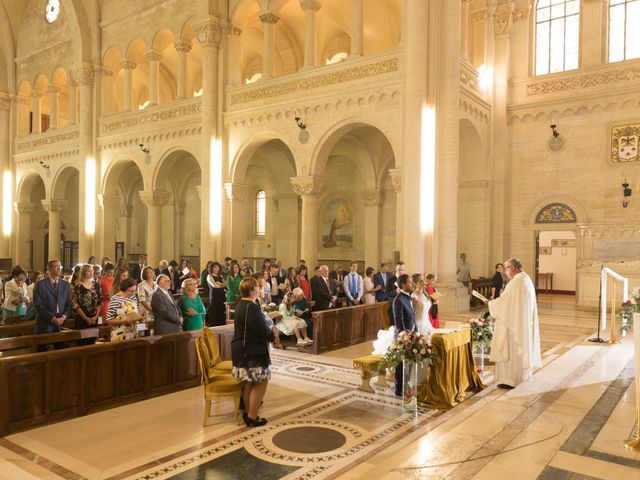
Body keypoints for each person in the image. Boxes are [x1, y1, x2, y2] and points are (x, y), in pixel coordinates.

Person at [488, 258, 541, 389]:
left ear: (512, 268)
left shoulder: (516, 282)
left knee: (512, 350)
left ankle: (511, 379)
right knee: (519, 350)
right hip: (520, 322)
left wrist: (490, 303)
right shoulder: (526, 279)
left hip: (513, 324)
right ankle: (522, 375)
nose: (505, 272)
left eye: (506, 269)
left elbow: (505, 302)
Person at [231, 277, 276, 427]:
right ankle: (252, 416)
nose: (260, 289)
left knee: (249, 382)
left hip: (242, 349)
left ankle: (248, 412)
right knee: (261, 381)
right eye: (258, 287)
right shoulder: (252, 307)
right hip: (251, 350)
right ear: (252, 290)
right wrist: (272, 335)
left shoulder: (241, 304)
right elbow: (261, 329)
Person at [392, 274, 417, 396]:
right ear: (403, 285)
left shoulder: (409, 298)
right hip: (402, 337)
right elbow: (398, 320)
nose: (411, 284)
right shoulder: (398, 299)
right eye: (409, 282)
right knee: (401, 364)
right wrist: (405, 336)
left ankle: (406, 385)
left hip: (412, 334)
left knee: (409, 362)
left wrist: (415, 332)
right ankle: (399, 389)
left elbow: (412, 317)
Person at [34, 260, 72, 337]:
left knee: (61, 347)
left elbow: (69, 303)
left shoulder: (65, 284)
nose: (59, 268)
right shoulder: (40, 284)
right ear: (49, 269)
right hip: (45, 322)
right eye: (56, 266)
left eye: (60, 266)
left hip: (62, 322)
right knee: (43, 347)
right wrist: (52, 319)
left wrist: (64, 317)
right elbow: (38, 305)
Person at [72, 264, 100, 342]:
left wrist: (96, 316)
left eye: (92, 271)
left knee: (93, 341)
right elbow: (75, 304)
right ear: (83, 272)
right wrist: (86, 318)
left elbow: (99, 302)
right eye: (89, 271)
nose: (91, 273)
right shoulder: (78, 286)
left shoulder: (96, 285)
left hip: (94, 318)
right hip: (82, 318)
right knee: (83, 342)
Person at [206, 262, 227, 326]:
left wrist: (219, 284)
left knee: (221, 309)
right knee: (214, 309)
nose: (216, 269)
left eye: (218, 267)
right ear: (211, 268)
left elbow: (226, 284)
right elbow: (214, 285)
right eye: (215, 267)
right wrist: (220, 284)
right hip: (214, 295)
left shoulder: (220, 276)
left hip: (221, 295)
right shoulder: (209, 276)